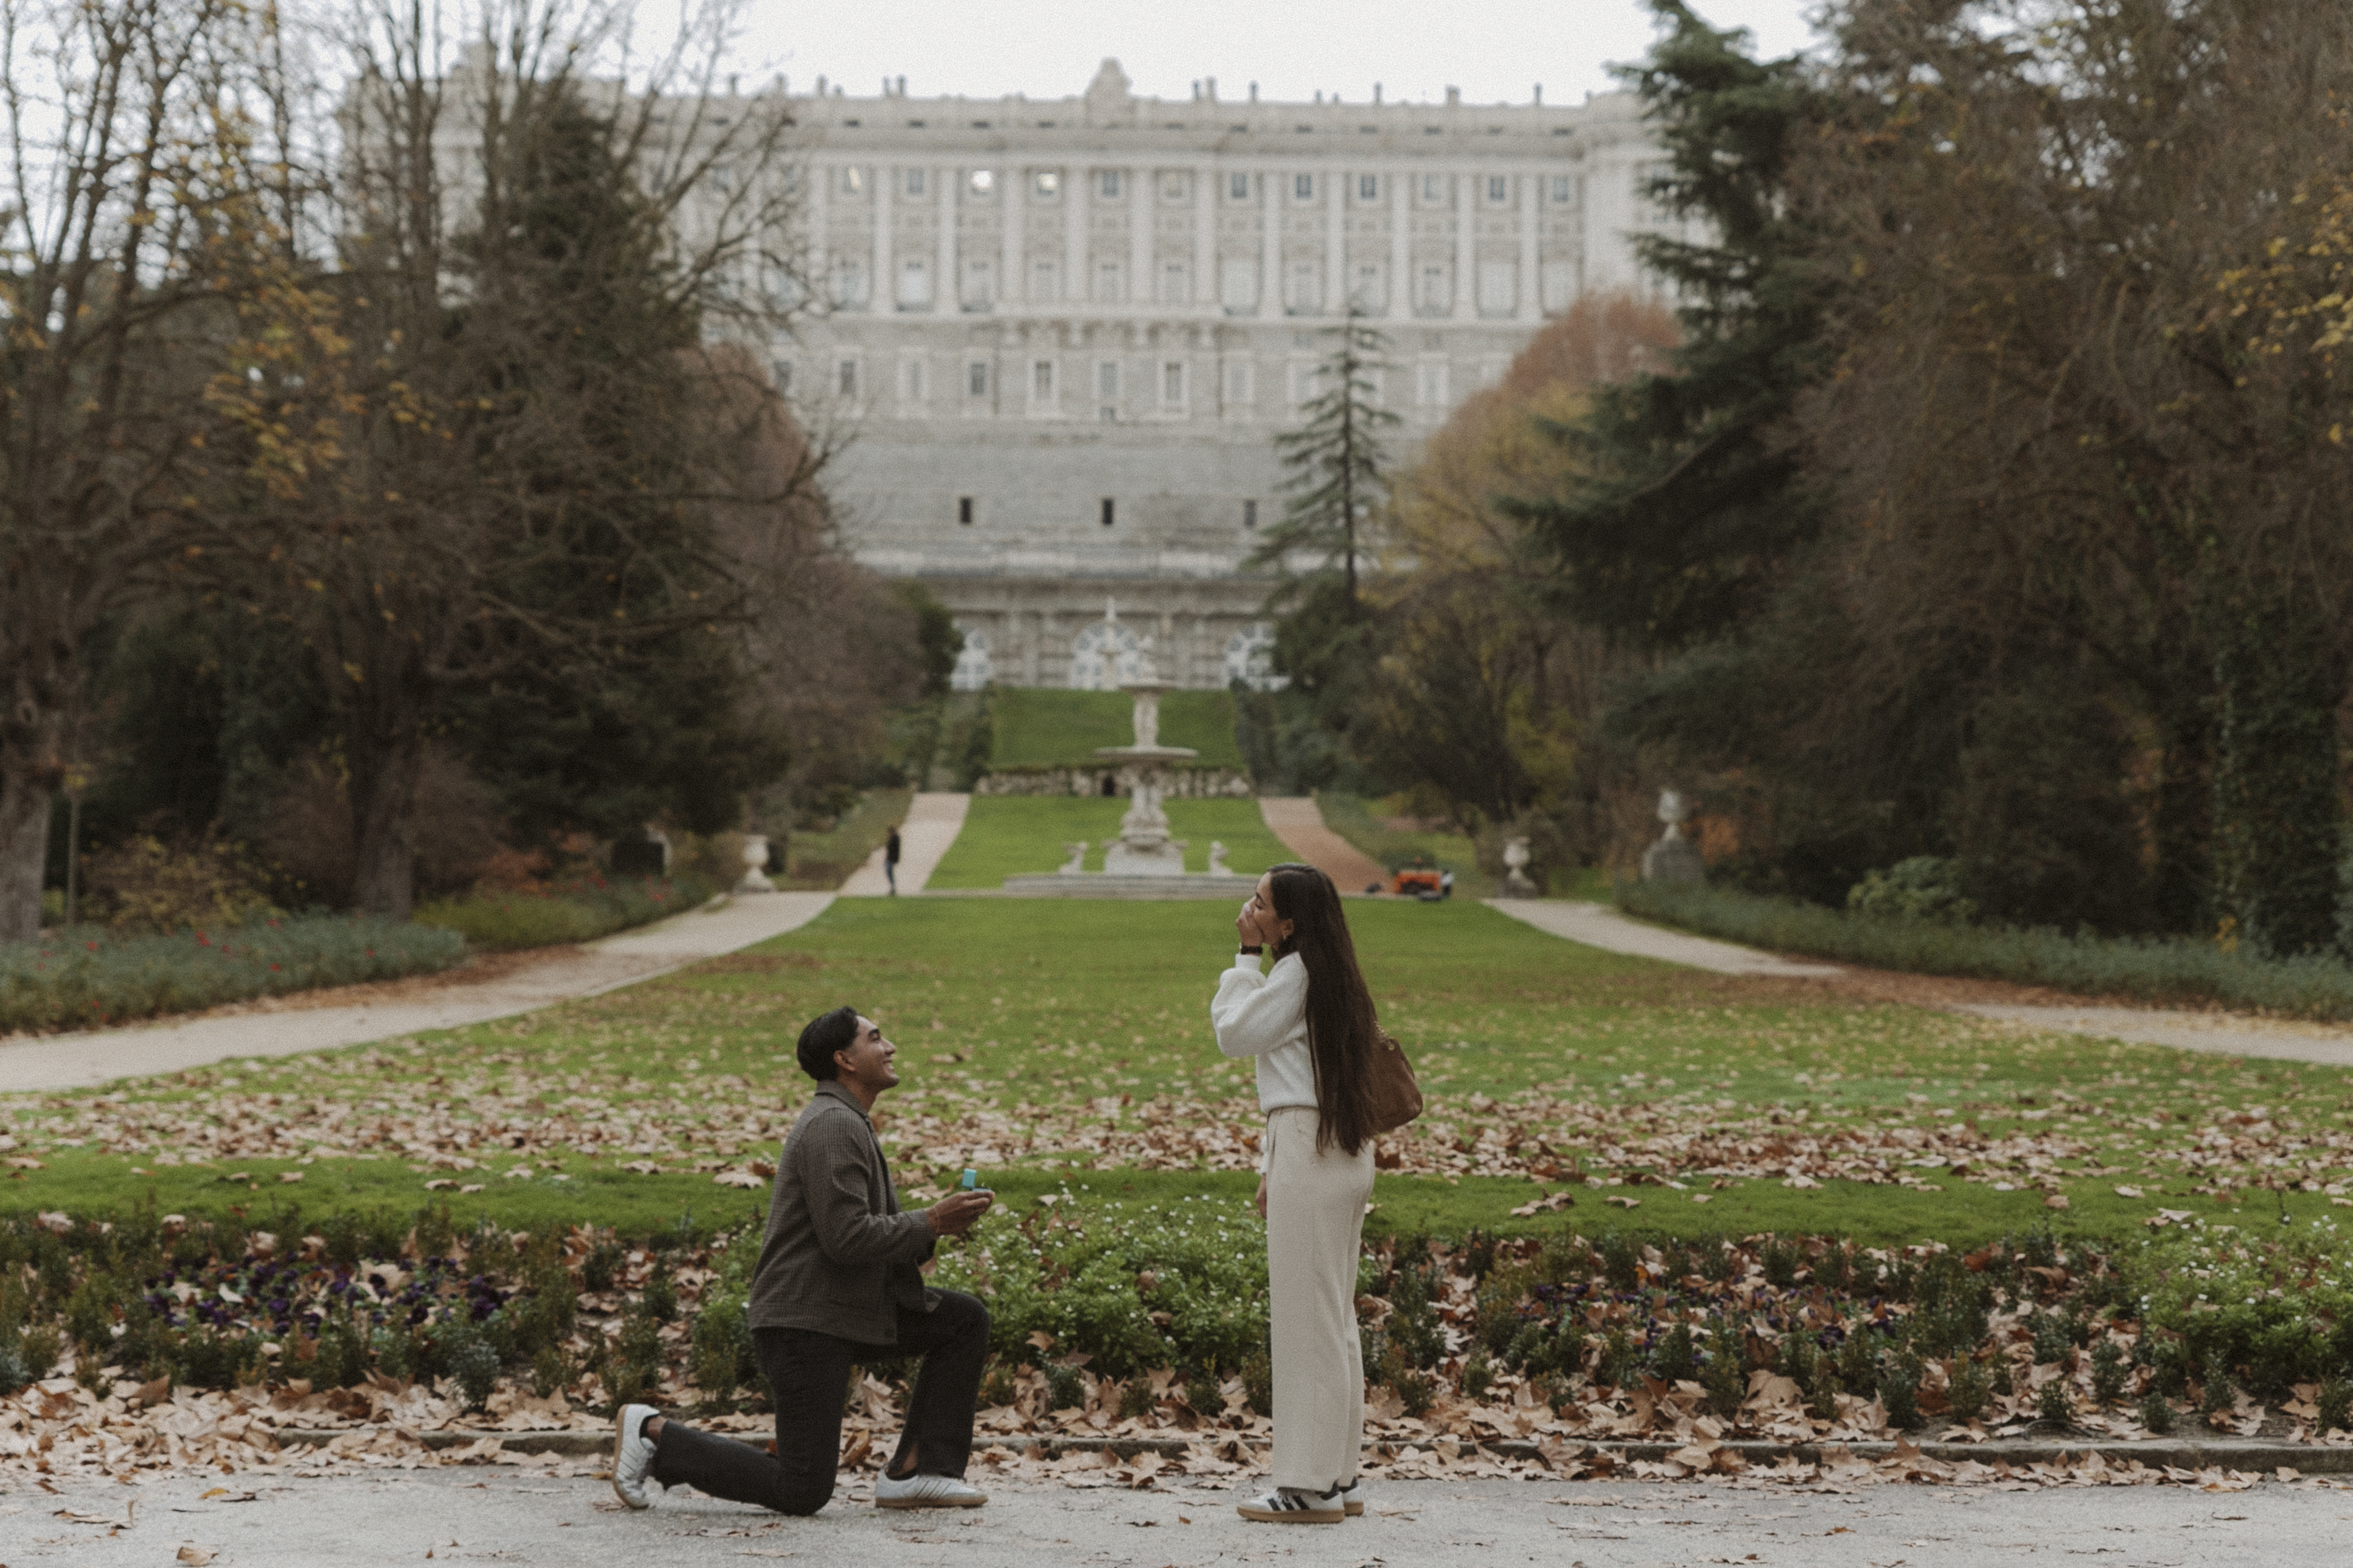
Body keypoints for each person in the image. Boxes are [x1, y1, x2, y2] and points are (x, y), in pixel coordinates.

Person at [609, 1007, 996, 1515]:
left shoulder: (848, 1120)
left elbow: (861, 1233)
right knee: (803, 1489)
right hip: (804, 1322)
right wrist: (930, 1222)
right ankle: (654, 1434)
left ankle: (919, 1472)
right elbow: (847, 1239)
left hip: (844, 1309)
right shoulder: (834, 1124)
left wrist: (934, 1228)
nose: (891, 1047)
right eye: (875, 1037)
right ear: (845, 1059)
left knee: (961, 1321)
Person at [1211, 863, 1380, 1525]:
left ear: (1287, 923)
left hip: (1310, 1143)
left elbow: (1233, 1034)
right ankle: (1336, 1474)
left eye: (1259, 903)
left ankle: (1307, 1485)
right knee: (1331, 1318)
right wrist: (1269, 1162)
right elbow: (1299, 1070)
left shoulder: (1295, 973)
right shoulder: (1330, 972)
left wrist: (1242, 957)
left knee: (1306, 1322)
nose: (1246, 908)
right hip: (1332, 1143)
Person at [884, 826, 903, 895]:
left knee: (889, 871)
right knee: (889, 871)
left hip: (892, 858)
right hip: (890, 858)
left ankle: (893, 887)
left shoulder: (895, 839)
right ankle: (892, 887)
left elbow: (890, 848)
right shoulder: (893, 839)